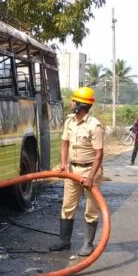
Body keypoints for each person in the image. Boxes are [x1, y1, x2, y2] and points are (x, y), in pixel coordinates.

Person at [50, 86, 104, 256]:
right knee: (67, 206)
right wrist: (63, 165)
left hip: (90, 170)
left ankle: (88, 245)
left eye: (73, 101)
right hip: (72, 170)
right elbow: (64, 144)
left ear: (80, 105)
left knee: (91, 209)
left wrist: (90, 176)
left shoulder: (94, 126)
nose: (71, 104)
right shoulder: (70, 121)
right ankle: (64, 241)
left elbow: (99, 154)